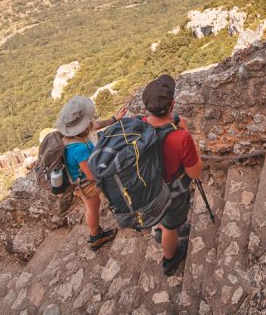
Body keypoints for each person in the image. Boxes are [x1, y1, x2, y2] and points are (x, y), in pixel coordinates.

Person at [142, 74, 204, 275]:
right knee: (171, 226)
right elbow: (195, 171)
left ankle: (160, 229)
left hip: (148, 188)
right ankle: (170, 259)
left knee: (164, 217)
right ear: (173, 104)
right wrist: (187, 133)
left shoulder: (139, 126)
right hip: (170, 192)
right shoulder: (180, 137)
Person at [55, 95, 127, 251]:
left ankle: (96, 233)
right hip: (85, 185)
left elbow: (95, 125)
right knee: (93, 207)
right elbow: (91, 175)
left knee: (93, 206)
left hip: (78, 180)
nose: (91, 122)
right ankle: (95, 237)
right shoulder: (78, 148)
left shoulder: (69, 134)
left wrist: (114, 119)